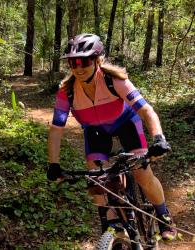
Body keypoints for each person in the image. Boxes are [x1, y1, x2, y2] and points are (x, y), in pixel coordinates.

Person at [47, 33, 176, 241]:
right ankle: (112, 227)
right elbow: (56, 129)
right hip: (95, 131)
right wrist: (53, 164)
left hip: (126, 124)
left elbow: (146, 111)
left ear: (97, 60)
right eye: (73, 62)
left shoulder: (114, 81)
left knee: (142, 174)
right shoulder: (67, 91)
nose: (78, 67)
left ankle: (163, 215)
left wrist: (159, 138)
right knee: (97, 180)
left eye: (83, 61)